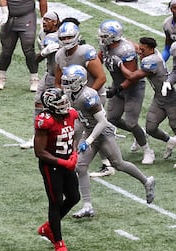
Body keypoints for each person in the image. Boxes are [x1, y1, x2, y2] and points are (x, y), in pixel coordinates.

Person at [60, 65, 155, 219]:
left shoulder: (88, 96)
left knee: (118, 163)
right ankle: (87, 206)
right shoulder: (71, 94)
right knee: (81, 167)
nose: (65, 84)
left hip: (103, 133)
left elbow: (102, 122)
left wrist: (89, 140)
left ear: (79, 81)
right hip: (90, 131)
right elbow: (79, 118)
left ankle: (147, 181)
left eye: (69, 81)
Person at [53, 21, 114, 178]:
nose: (66, 40)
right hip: (74, 100)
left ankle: (107, 162)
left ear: (77, 36)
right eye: (63, 37)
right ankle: (77, 161)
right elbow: (58, 81)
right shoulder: (59, 55)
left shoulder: (86, 52)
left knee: (90, 130)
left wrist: (84, 98)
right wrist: (63, 98)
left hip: (93, 97)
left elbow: (101, 78)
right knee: (77, 130)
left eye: (69, 37)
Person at [97, 20, 153, 164]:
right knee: (112, 118)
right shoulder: (105, 45)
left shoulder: (125, 51)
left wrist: (118, 89)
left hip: (133, 88)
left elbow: (132, 77)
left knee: (131, 123)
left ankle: (147, 150)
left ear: (113, 36)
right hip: (118, 85)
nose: (102, 38)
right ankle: (139, 133)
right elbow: (98, 59)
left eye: (105, 36)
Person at [34, 88, 80, 251]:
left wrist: (74, 153)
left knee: (74, 197)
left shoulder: (71, 114)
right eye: (60, 103)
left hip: (67, 162)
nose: (65, 105)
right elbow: (39, 151)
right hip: (51, 165)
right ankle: (58, 242)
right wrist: (62, 162)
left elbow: (73, 136)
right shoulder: (45, 121)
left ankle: (49, 227)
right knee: (55, 201)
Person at [117, 37, 176, 163]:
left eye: (143, 50)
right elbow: (137, 47)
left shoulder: (151, 61)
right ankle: (170, 141)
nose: (140, 52)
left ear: (150, 49)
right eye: (140, 48)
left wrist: (119, 64)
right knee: (151, 128)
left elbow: (132, 76)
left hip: (171, 99)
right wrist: (124, 40)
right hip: (159, 97)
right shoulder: (152, 52)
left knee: (175, 126)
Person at [21, 11, 61, 148]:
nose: (44, 22)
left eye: (48, 20)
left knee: (63, 108)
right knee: (38, 102)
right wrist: (44, 52)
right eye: (44, 19)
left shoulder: (63, 35)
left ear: (55, 22)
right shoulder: (42, 34)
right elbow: (36, 60)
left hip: (64, 78)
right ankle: (36, 136)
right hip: (49, 74)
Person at [0, 0, 47, 92]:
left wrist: (43, 19)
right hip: (9, 16)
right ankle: (1, 77)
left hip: (27, 16)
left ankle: (34, 79)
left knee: (29, 49)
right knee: (6, 50)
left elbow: (43, 1)